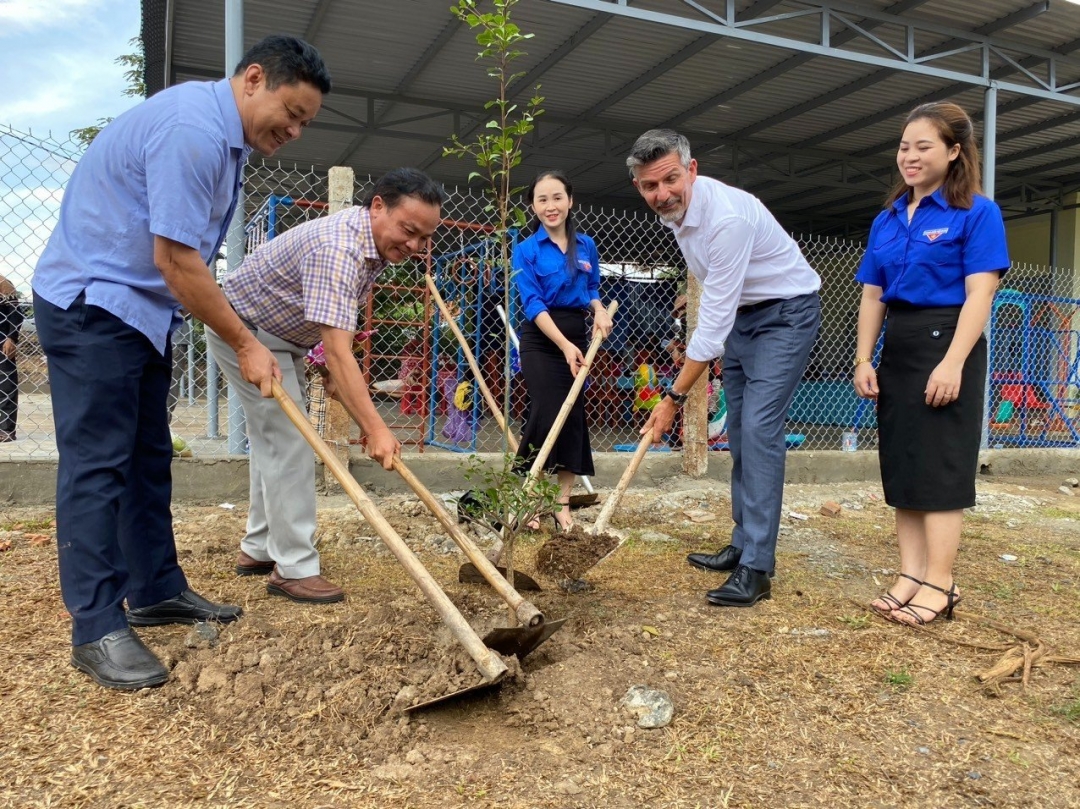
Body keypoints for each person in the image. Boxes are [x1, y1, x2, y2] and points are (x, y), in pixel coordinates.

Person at [31, 35, 332, 690]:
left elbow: (180, 261)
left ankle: (155, 589)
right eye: (293, 112)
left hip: (139, 311)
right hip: (93, 303)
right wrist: (248, 343)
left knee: (146, 458)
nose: (296, 130)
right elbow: (177, 260)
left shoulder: (229, 148)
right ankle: (96, 626)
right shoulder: (192, 130)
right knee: (98, 465)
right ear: (254, 79)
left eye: (307, 121)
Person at [206, 168, 445, 603]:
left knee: (273, 441)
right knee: (292, 441)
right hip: (246, 332)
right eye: (408, 230)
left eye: (424, 238)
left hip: (281, 335)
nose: (414, 246)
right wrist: (374, 427)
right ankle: (293, 567)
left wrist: (335, 373)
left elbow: (331, 330)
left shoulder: (369, 245)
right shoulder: (338, 248)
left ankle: (258, 547)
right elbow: (339, 349)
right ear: (377, 206)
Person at [629, 129, 821, 607]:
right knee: (738, 428)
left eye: (671, 179)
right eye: (650, 186)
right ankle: (742, 543)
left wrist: (672, 398)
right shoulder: (677, 214)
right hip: (744, 317)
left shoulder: (726, 218)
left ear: (691, 170)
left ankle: (757, 568)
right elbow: (715, 294)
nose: (662, 193)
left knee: (759, 429)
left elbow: (711, 325)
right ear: (639, 187)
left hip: (786, 314)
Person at [855, 102, 1007, 627]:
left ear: (954, 151)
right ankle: (909, 575)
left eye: (924, 146)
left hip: (948, 339)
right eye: (904, 146)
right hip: (899, 344)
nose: (910, 156)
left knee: (940, 466)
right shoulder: (889, 217)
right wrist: (863, 357)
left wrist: (953, 363)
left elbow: (980, 294)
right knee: (904, 464)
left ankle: (940, 584)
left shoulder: (976, 212)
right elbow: (873, 294)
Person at [512, 170, 613, 531]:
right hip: (542, 339)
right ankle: (531, 500)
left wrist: (599, 310)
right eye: (542, 199)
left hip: (577, 335)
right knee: (547, 410)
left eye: (557, 197)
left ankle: (561, 505)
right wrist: (564, 345)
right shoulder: (525, 250)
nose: (551, 206)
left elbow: (591, 288)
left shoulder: (586, 245)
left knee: (572, 416)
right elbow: (533, 303)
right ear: (533, 207)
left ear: (570, 201)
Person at [0, 274, 23, 442]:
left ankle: (7, 430)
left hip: (2, 342)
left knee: (6, 385)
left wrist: (11, 337)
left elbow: (15, 312)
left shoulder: (3, 283)